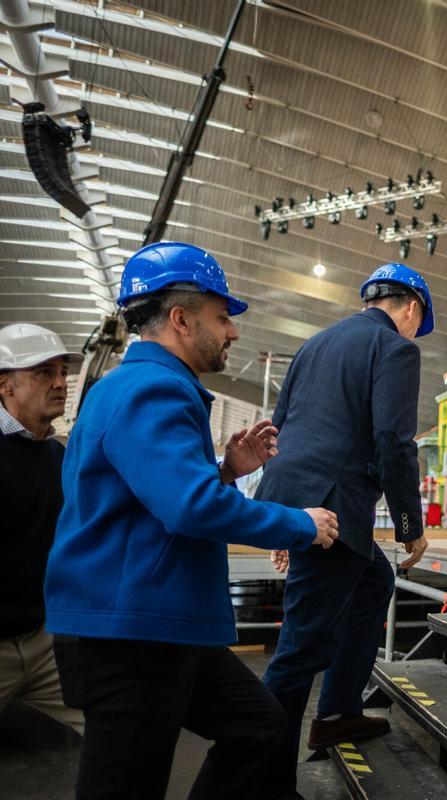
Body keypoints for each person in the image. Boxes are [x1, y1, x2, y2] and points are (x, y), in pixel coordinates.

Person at [42, 242, 339, 800]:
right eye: (222, 317)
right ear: (181, 319)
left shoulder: (135, 389)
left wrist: (226, 471)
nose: (234, 332)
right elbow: (189, 507)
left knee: (258, 724)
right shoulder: (152, 390)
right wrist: (300, 524)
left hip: (155, 622)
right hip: (131, 632)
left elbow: (150, 498)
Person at [257, 263, 434, 797]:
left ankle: (337, 712)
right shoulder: (395, 349)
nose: (414, 332)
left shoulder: (315, 345)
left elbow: (278, 428)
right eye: (418, 323)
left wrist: (284, 517)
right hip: (333, 512)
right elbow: (393, 442)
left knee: (375, 580)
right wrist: (410, 524)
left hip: (297, 496)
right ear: (412, 308)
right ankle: (264, 781)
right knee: (298, 652)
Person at [0, 324, 84, 738]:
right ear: (5, 385)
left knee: (110, 726)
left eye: (62, 372)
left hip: (41, 640)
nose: (60, 383)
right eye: (43, 372)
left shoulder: (56, 455)